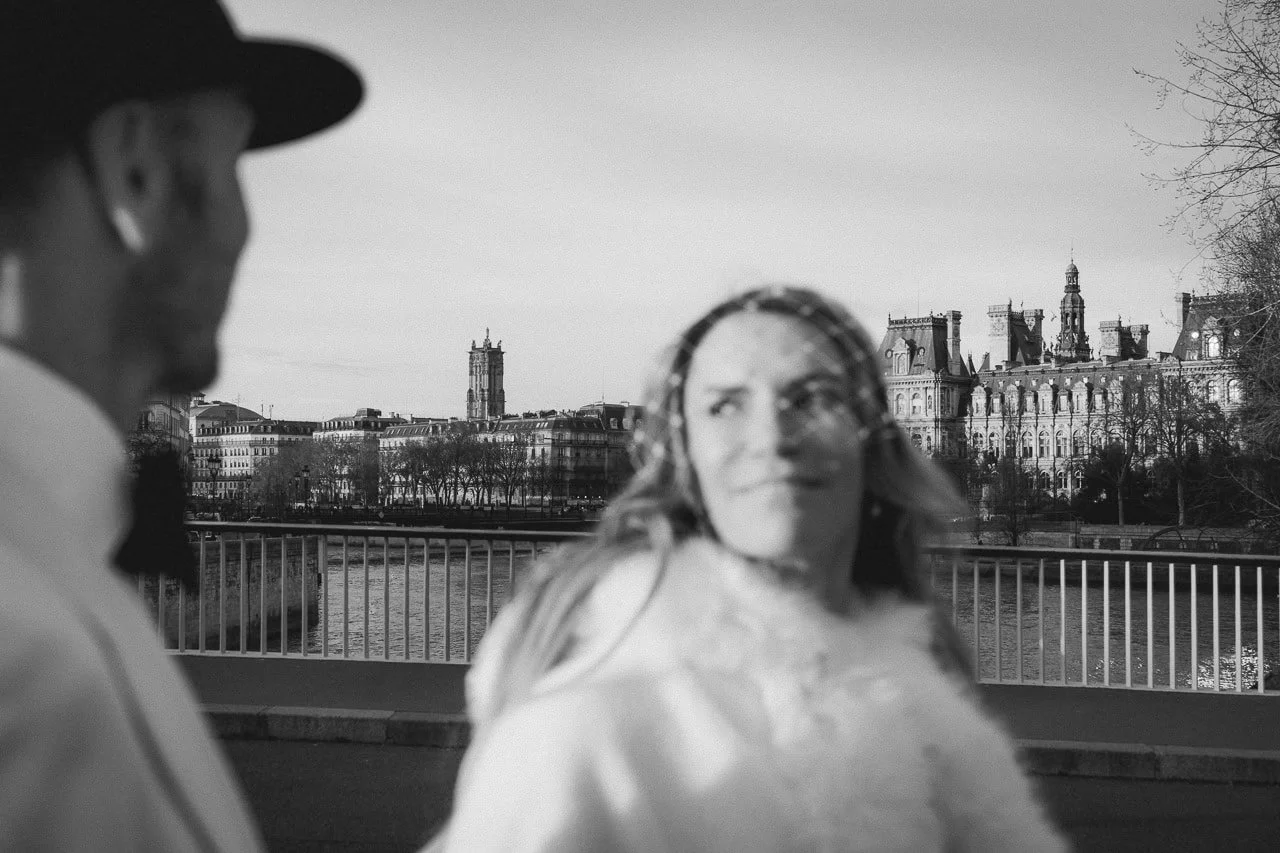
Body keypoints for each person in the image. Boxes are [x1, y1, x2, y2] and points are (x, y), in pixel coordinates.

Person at [431, 286, 1067, 851]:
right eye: (725, 406)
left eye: (811, 398)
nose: (772, 435)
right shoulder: (585, 724)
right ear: (685, 457)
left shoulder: (923, 684)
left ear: (874, 442)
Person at [0, 1, 362, 850]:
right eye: (236, 164)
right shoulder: (26, 664)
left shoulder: (53, 560)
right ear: (140, 172)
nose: (247, 224)